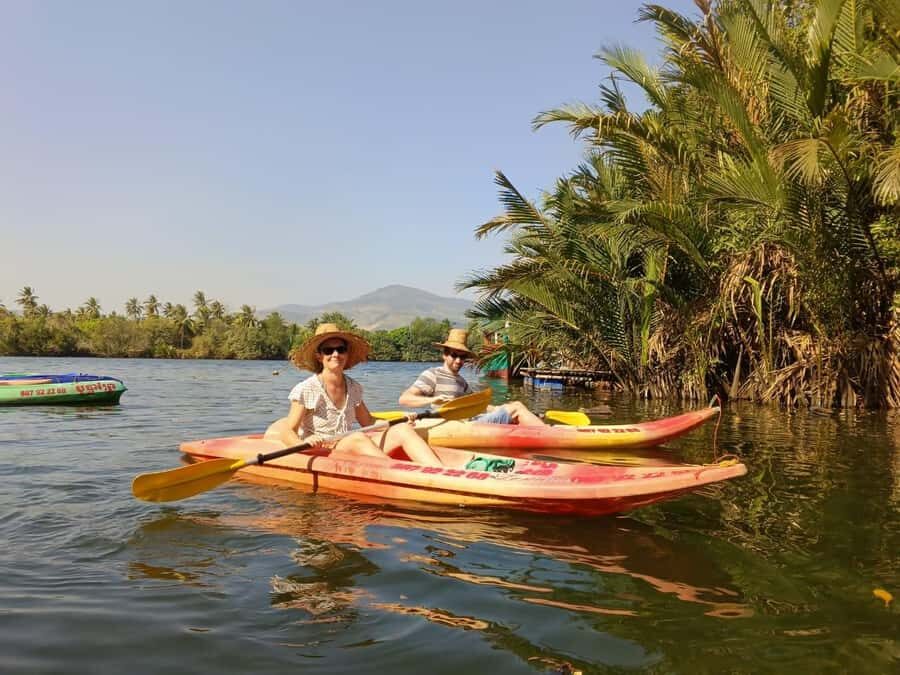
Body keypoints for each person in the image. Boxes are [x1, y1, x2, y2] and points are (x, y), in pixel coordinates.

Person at [275, 323, 444, 466]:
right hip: (325, 451)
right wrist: (303, 443)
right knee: (357, 437)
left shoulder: (353, 387)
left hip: (348, 444)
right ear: (319, 356)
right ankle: (397, 472)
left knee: (401, 429)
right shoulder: (306, 389)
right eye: (328, 350)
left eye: (341, 349)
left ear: (346, 354)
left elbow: (368, 421)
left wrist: (398, 421)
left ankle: (439, 471)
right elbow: (288, 430)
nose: (336, 354)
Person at [399, 328, 544, 425]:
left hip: (470, 421)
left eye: (462, 357)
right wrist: (433, 399)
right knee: (517, 409)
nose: (458, 360)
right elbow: (404, 399)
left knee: (514, 405)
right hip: (455, 427)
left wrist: (501, 407)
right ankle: (549, 434)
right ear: (444, 355)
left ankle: (542, 428)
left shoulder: (461, 382)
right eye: (454, 355)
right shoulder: (432, 375)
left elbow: (478, 406)